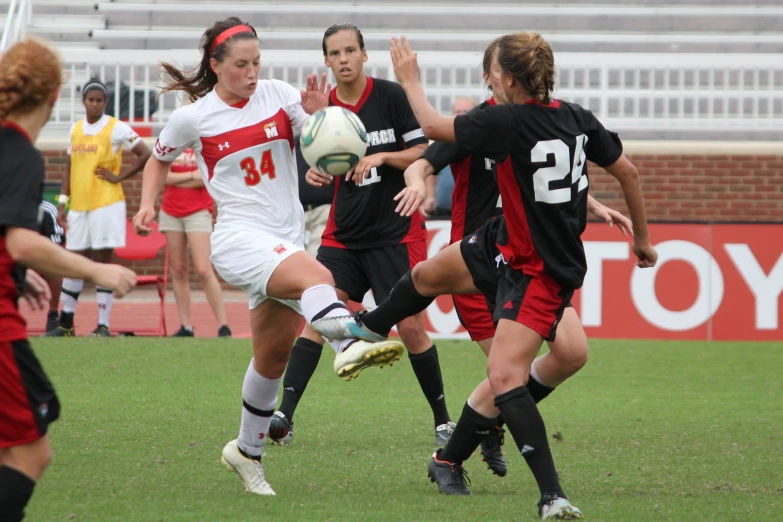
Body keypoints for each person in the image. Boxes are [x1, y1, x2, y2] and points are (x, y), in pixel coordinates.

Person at [312, 33, 658, 520]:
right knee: (431, 273)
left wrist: (410, 80)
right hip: (501, 239)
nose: (486, 79)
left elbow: (432, 125)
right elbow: (628, 173)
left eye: (492, 71)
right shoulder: (574, 117)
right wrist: (641, 240)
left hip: (537, 268)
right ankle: (370, 324)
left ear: (510, 79)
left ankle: (484, 458)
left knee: (517, 371)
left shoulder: (504, 119)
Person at [131, 17, 404, 496]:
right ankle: (347, 344)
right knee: (317, 275)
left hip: (283, 237)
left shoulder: (278, 94)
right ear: (216, 67)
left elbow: (320, 138)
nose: (252, 72)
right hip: (238, 237)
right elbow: (159, 158)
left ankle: (246, 452)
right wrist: (148, 203)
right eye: (241, 65)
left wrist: (322, 118)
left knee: (272, 358)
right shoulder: (196, 116)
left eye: (257, 62)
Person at [404, 38, 637, 479]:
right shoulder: (480, 123)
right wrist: (417, 179)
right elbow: (426, 157)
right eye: (490, 67)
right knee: (506, 378)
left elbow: (547, 183)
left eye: (498, 66)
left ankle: (479, 435)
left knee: (570, 352)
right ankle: (460, 456)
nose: (494, 74)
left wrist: (592, 205)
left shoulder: (538, 122)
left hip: (530, 259)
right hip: (480, 262)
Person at [269, 23, 455, 448]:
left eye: (351, 50)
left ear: (364, 54)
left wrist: (382, 156)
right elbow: (320, 162)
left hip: (396, 231)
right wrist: (318, 168)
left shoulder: (390, 96)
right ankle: (283, 416)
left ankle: (443, 422)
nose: (344, 59)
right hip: (345, 234)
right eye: (335, 53)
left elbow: (425, 152)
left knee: (410, 327)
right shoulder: (325, 107)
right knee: (317, 317)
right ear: (327, 61)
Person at [0, 37, 137, 522]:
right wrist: (96, 269)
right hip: (1, 329)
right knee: (33, 453)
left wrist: (16, 275)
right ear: (57, 94)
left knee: (33, 421)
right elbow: (19, 241)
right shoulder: (19, 153)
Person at [45, 78, 152, 337]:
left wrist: (120, 177)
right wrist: (62, 202)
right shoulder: (76, 128)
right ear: (83, 101)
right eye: (90, 100)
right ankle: (66, 323)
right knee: (74, 262)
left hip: (106, 203)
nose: (95, 104)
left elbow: (146, 154)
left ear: (105, 103)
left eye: (99, 100)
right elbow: (70, 168)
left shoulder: (115, 128)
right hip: (79, 206)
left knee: (102, 261)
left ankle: (103, 324)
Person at [159, 148, 231, 337]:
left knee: (204, 269)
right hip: (170, 211)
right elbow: (162, 177)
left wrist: (179, 177)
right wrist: (192, 175)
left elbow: (206, 179)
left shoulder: (203, 142)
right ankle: (186, 326)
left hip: (198, 211)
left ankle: (224, 326)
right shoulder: (169, 142)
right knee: (178, 269)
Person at [422, 96, 477, 217]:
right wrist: (430, 196)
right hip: (442, 212)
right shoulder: (443, 140)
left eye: (466, 112)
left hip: (471, 211)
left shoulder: (481, 142)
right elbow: (431, 168)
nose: (461, 115)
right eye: (458, 111)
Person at [295, 141, 332, 257]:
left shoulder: (327, 142)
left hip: (322, 212)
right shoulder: (289, 144)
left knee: (318, 259)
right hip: (297, 215)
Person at [37, 200, 66, 333]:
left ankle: (53, 315)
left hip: (35, 258)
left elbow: (55, 247)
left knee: (54, 265)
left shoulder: (47, 210)